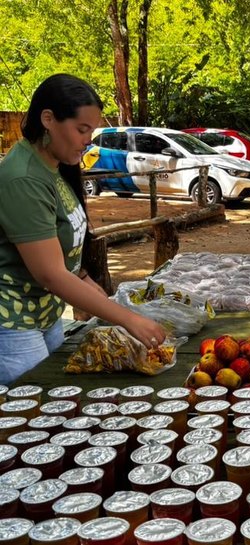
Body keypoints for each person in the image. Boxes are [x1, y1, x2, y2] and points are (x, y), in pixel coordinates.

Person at [0, 74, 167, 385]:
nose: (89, 139)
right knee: (34, 404)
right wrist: (128, 319)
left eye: (92, 130)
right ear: (48, 119)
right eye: (82, 129)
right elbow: (50, 274)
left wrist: (86, 281)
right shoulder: (23, 178)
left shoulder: (54, 166)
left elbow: (59, 245)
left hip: (44, 314)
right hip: (12, 322)